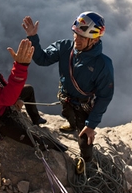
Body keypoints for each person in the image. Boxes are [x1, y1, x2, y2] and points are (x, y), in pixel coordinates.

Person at [22, 11, 114, 174]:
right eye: (75, 34)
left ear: (94, 39)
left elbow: (104, 96)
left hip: (84, 104)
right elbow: (43, 59)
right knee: (67, 113)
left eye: (82, 37)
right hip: (67, 97)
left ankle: (86, 161)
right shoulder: (65, 47)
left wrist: (91, 124)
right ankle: (71, 124)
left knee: (84, 138)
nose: (76, 39)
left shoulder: (103, 65)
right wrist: (33, 38)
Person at [0, 25, 66, 151]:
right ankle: (57, 149)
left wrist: (15, 98)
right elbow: (6, 98)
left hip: (3, 104)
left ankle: (36, 119)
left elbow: (0, 81)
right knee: (36, 141)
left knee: (28, 90)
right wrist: (20, 68)